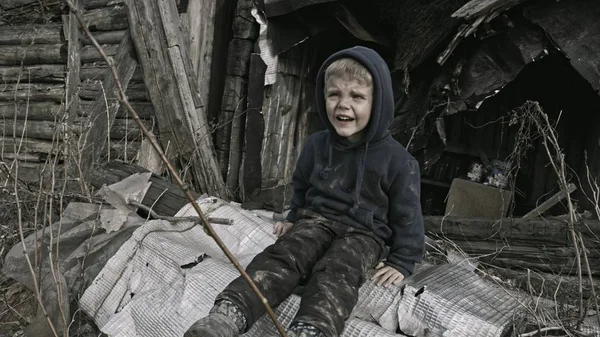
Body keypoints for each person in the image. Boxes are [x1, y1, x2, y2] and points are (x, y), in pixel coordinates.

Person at [185, 46, 424, 337]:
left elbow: (408, 215)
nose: (342, 105)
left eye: (357, 97)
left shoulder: (398, 162)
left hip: (365, 235)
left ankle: (312, 331)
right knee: (283, 255)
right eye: (334, 94)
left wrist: (403, 260)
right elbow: (301, 186)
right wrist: (294, 217)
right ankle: (228, 314)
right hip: (316, 221)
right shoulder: (316, 145)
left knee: (337, 271)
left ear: (379, 103)